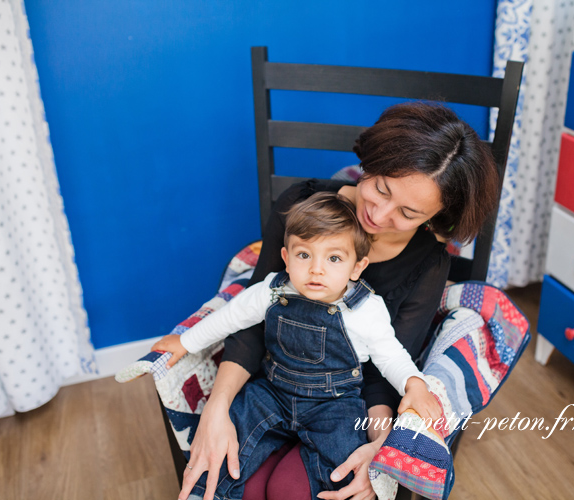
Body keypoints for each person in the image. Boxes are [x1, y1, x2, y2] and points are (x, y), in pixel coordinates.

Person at [180, 102, 500, 500]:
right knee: (235, 481)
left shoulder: (427, 264)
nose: (379, 215)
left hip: (345, 406)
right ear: (370, 162)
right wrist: (217, 407)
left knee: (291, 490)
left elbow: (386, 365)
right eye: (381, 188)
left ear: (436, 217)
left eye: (408, 212)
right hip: (273, 386)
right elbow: (251, 317)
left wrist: (376, 442)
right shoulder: (302, 207)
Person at [153, 192, 440, 499]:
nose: (317, 269)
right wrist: (185, 342)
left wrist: (415, 385)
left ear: (357, 267)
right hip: (273, 391)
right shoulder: (273, 291)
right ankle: (206, 490)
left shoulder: (366, 309)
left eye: (333, 258)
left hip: (334, 403)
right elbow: (229, 318)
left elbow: (392, 355)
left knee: (341, 462)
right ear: (287, 259)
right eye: (304, 255)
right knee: (230, 437)